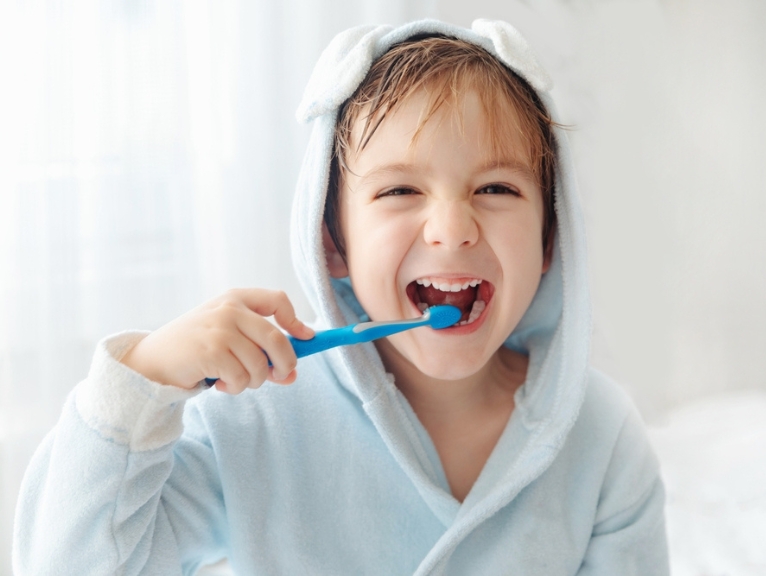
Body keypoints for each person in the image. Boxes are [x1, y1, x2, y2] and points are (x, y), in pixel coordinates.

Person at [13, 19, 669, 575]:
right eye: (399, 191)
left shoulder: (602, 439)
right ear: (333, 245)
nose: (453, 228)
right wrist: (144, 382)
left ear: (551, 241)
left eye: (497, 189)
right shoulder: (257, 420)